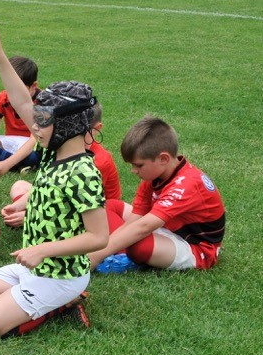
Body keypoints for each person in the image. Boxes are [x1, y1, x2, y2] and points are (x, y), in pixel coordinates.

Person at [0, 24, 109, 338]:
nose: (33, 125)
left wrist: (43, 250)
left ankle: (66, 301)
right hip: (32, 267)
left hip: (61, 275)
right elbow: (21, 100)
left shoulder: (83, 172)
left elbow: (98, 238)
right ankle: (32, 302)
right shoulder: (52, 148)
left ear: (67, 126)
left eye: (42, 120)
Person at [88, 115, 225, 273]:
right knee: (110, 206)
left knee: (138, 244)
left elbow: (144, 227)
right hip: (165, 229)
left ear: (163, 159)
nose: (133, 170)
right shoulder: (154, 176)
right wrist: (100, 250)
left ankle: (129, 258)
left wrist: (97, 255)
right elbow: (134, 221)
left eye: (138, 165)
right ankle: (122, 253)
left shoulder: (187, 185)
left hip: (196, 248)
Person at [0, 101, 122, 228]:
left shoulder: (98, 162)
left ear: (96, 129)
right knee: (19, 186)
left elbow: (75, 205)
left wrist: (31, 215)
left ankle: (34, 219)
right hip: (66, 197)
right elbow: (48, 185)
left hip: (93, 211)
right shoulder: (61, 148)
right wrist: (19, 205)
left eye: (79, 128)